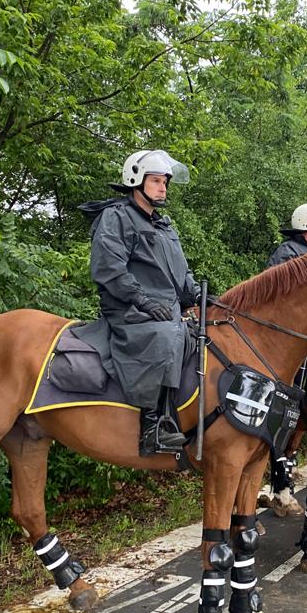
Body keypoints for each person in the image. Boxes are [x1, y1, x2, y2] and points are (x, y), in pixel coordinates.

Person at [77, 149, 197, 456]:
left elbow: (180, 273)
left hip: (164, 308)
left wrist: (197, 295)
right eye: (156, 181)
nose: (163, 188)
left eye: (165, 182)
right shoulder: (116, 217)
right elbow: (109, 268)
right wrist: (142, 301)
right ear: (135, 181)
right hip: (128, 309)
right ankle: (153, 426)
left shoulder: (163, 225)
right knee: (167, 335)